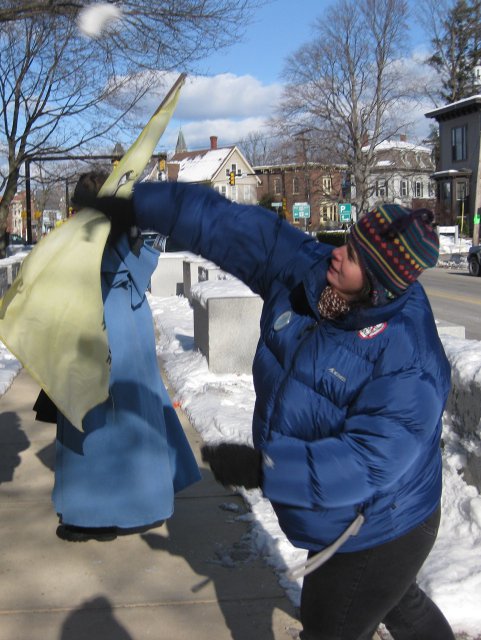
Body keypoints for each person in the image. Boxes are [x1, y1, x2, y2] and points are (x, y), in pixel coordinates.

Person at [91, 182, 454, 639]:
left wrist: (266, 469)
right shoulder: (309, 269)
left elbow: (368, 460)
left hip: (381, 523)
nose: (338, 254)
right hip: (346, 511)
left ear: (379, 288)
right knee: (398, 602)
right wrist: (142, 208)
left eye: (357, 257)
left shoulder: (409, 357)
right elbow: (236, 228)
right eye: (349, 242)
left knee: (330, 624)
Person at [43, 172, 200, 542]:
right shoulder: (130, 235)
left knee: (90, 417)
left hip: (96, 321)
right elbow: (144, 260)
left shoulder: (90, 239)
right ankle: (137, 504)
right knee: (130, 411)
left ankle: (90, 513)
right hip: (126, 321)